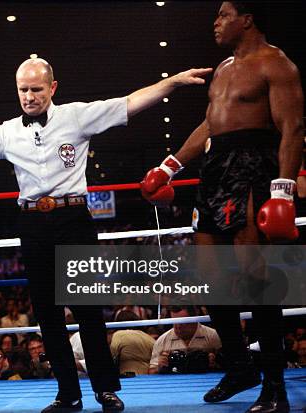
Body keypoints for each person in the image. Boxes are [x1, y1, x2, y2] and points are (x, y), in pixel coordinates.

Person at [0, 57, 210, 412]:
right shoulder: (8, 131)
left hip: (73, 219)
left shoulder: (76, 116)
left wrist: (172, 83)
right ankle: (68, 393)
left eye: (36, 89)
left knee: (88, 311)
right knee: (48, 315)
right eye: (23, 90)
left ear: (52, 88)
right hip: (33, 222)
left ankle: (104, 389)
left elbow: (129, 103)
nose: (29, 96)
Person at [140, 3, 303, 412]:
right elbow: (210, 123)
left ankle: (275, 386)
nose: (216, 22)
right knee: (210, 275)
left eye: (224, 14)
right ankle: (239, 365)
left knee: (257, 279)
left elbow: (293, 128)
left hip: (254, 167)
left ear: (247, 18)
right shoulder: (225, 68)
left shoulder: (277, 65)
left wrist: (282, 192)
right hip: (215, 170)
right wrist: (170, 165)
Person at [148, 307, 221, 374]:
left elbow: (228, 366)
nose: (178, 326)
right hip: (174, 384)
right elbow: (151, 372)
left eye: (183, 322)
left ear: (194, 319)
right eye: (174, 321)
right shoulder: (162, 340)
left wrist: (216, 362)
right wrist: (159, 368)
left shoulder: (212, 336)